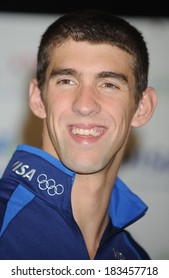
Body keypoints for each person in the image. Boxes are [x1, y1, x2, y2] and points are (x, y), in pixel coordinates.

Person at [0, 9, 157, 260]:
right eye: (66, 81)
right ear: (38, 98)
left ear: (142, 107)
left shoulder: (135, 258)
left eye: (109, 84)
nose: (85, 105)